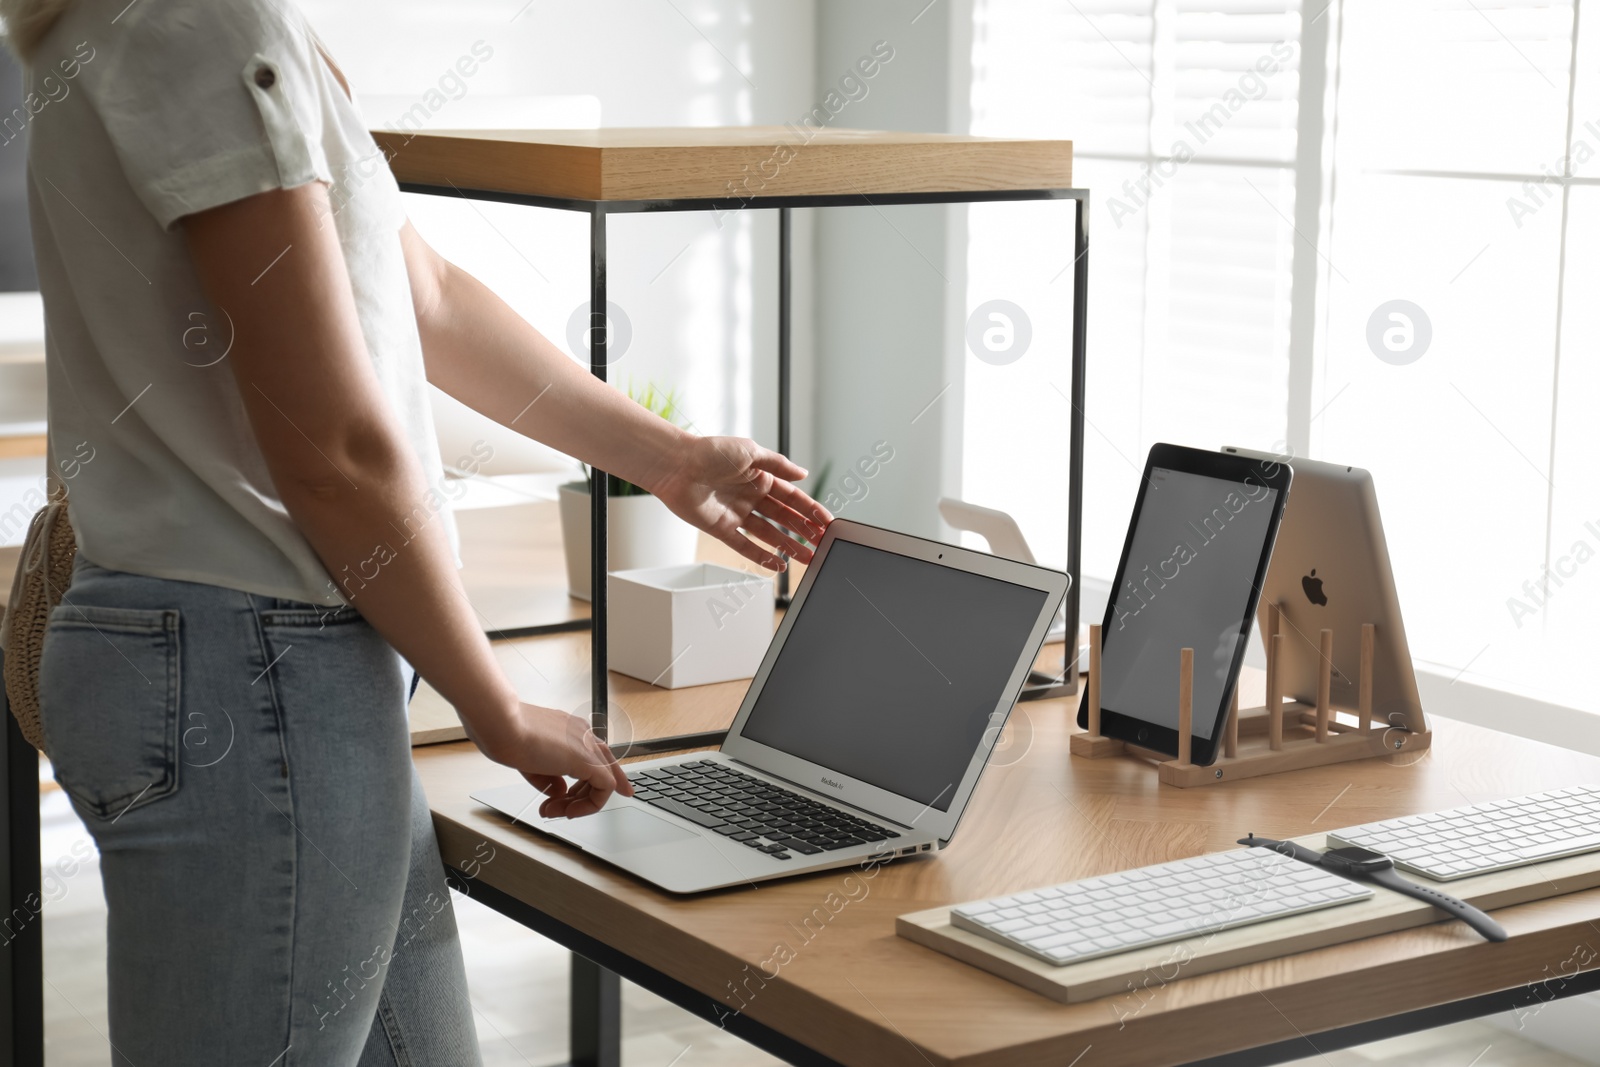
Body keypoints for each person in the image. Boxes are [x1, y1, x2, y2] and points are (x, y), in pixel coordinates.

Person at [6, 0, 832, 1063]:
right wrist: (492, 702)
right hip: (252, 669)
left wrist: (669, 458)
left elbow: (423, 292)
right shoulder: (200, 22)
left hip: (268, 666)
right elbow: (334, 445)